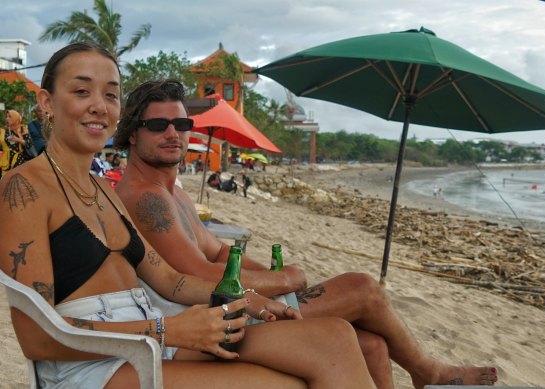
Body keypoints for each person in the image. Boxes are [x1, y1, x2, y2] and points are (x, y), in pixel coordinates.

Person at [0, 44, 376, 389]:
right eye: (82, 91)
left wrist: (246, 298)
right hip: (92, 367)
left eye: (111, 94)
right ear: (46, 102)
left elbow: (172, 282)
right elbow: (38, 337)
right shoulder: (22, 190)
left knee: (334, 338)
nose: (99, 105)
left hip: (150, 340)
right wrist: (168, 330)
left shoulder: (102, 191)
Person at [115, 80, 499, 389]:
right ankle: (426, 370)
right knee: (362, 288)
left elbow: (220, 254)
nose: (173, 133)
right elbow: (199, 275)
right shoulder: (146, 198)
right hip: (206, 321)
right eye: (157, 125)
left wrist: (273, 281)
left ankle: (420, 371)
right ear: (132, 134)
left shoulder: (173, 191)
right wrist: (284, 279)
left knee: (373, 346)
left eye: (181, 125)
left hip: (226, 305)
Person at [1, 109, 33, 177]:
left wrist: (18, 140)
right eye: (6, 117)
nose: (7, 119)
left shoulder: (22, 129)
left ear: (15, 118)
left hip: (19, 163)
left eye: (10, 117)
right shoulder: (3, 131)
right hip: (5, 164)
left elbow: (29, 144)